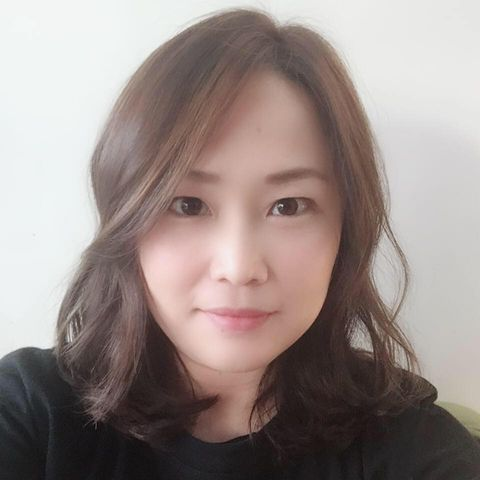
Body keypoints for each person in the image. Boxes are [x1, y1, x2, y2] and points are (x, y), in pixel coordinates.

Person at [1, 6, 479, 479]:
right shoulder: (33, 412)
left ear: (345, 229)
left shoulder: (411, 446)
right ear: (126, 220)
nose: (239, 266)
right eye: (188, 204)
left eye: (288, 206)